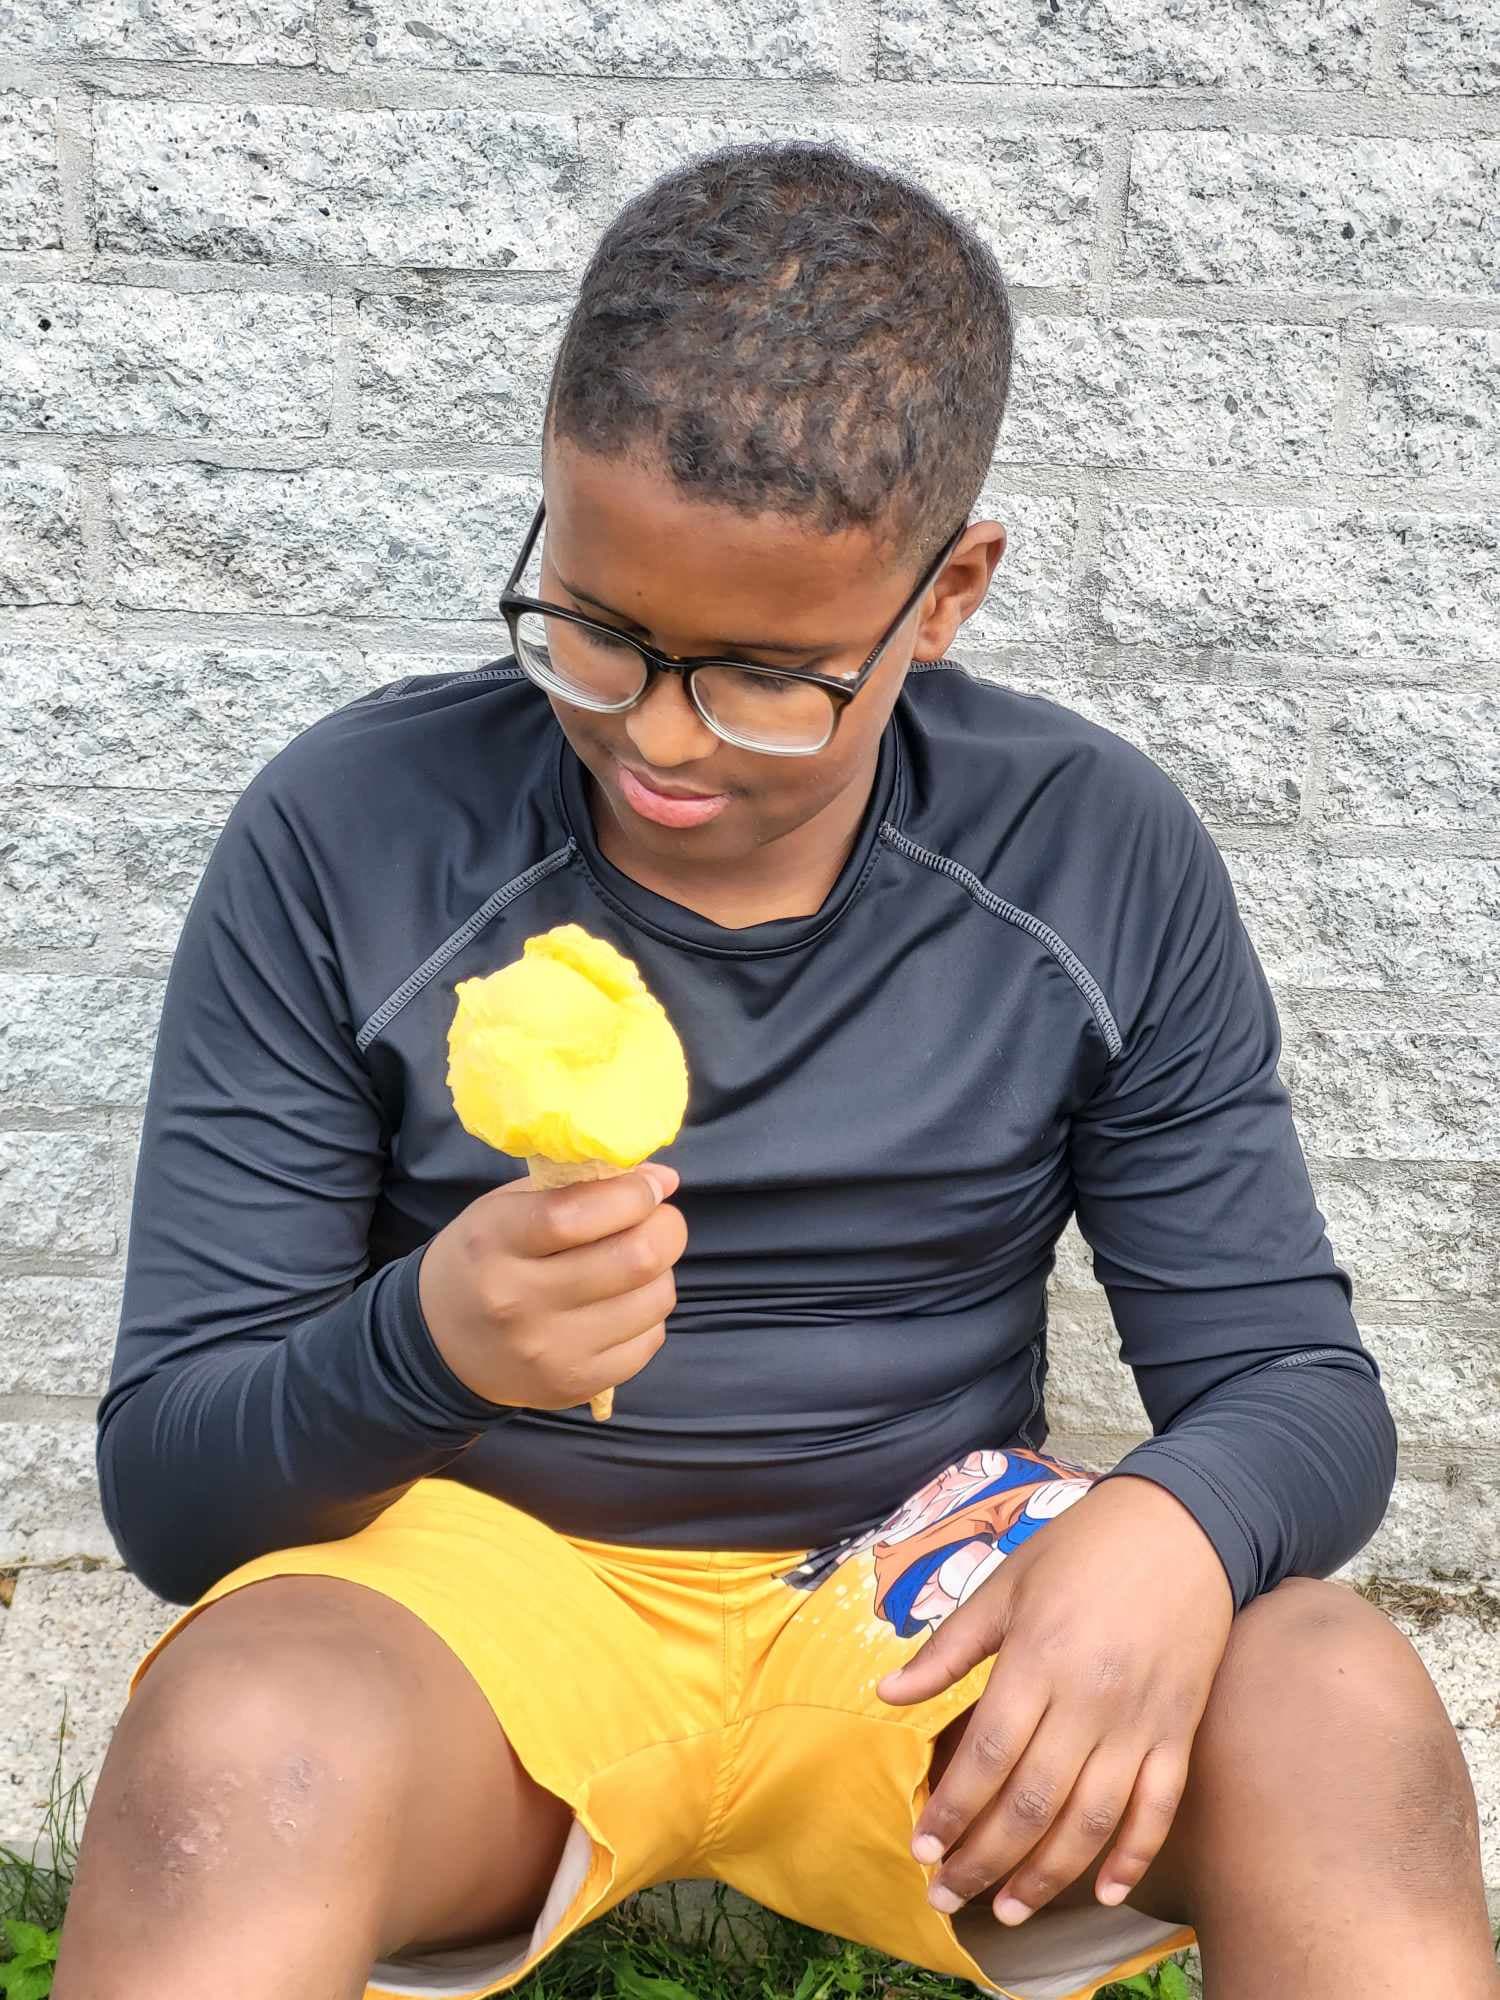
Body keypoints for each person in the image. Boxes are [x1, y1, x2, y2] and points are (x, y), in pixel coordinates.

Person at [56, 138, 1496, 2000]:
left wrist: (1176, 1528)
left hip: (922, 1601)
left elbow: (1294, 1381)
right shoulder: (352, 835)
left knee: (1340, 1706)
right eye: (593, 630)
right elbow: (173, 1497)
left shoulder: (1087, 852)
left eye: (764, 673)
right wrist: (426, 1343)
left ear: (950, 590)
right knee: (229, 1757)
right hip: (478, 1614)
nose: (656, 737)